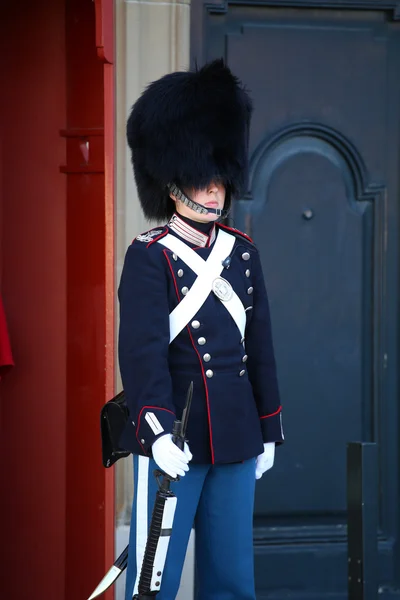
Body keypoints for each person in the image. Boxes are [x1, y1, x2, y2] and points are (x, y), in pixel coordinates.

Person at [118, 59, 284, 600]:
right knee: (154, 582)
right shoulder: (149, 257)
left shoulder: (243, 253)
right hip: (176, 438)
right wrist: (158, 431)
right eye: (201, 181)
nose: (214, 192)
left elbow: (259, 348)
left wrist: (269, 427)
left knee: (232, 581)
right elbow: (141, 354)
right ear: (172, 186)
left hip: (236, 434)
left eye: (219, 180)